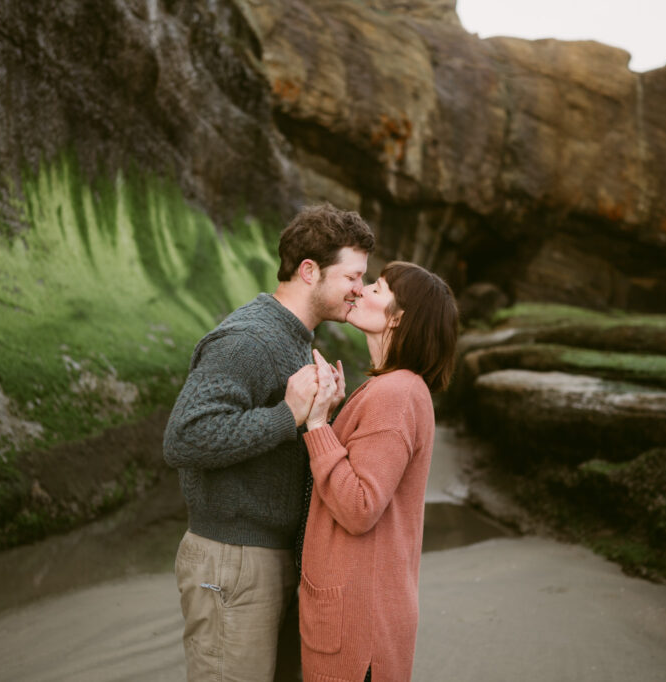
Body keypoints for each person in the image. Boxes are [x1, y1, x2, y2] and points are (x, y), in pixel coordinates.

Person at [162, 202, 374, 681]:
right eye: (354, 277)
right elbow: (184, 437)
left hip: (266, 561)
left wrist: (318, 418)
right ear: (309, 271)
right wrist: (287, 415)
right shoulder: (248, 340)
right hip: (230, 561)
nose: (360, 291)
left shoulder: (296, 339)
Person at [299, 261, 459, 682]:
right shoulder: (396, 388)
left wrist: (316, 426)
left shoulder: (395, 394)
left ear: (399, 318)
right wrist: (335, 417)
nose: (361, 289)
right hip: (363, 619)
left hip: (357, 631)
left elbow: (359, 507)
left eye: (377, 286)